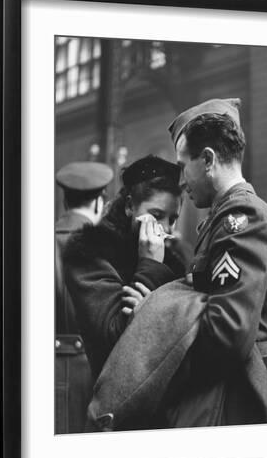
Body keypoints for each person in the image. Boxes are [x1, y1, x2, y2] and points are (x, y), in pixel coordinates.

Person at [168, 97, 267, 425]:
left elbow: (227, 335)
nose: (181, 181)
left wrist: (163, 361)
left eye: (182, 165)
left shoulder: (243, 218)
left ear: (207, 159)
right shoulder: (222, 218)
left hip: (234, 402)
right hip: (220, 396)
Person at [63, 155, 185, 381]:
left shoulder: (174, 262)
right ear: (130, 206)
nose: (166, 229)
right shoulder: (90, 252)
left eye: (173, 219)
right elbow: (112, 338)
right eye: (157, 216)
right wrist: (150, 267)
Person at [55, 160, 113, 433]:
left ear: (65, 200)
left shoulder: (30, 241)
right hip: (92, 372)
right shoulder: (103, 245)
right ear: (99, 202)